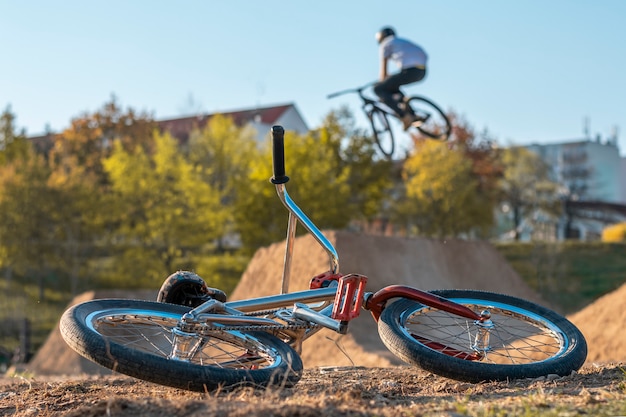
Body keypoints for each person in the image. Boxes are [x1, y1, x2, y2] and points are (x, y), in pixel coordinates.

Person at [373, 26, 428, 130]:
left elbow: (383, 74)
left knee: (378, 89)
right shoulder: (400, 41)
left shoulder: (385, 44)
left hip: (410, 71)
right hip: (422, 71)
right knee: (392, 86)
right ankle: (412, 114)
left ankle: (404, 116)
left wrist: (384, 97)